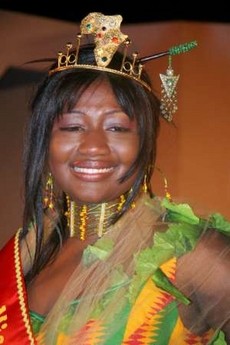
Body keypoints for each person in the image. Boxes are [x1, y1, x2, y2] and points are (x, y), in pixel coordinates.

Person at [0, 12, 229, 345]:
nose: (93, 146)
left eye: (117, 128)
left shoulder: (191, 257)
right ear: (44, 141)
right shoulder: (27, 253)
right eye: (73, 126)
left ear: (145, 142)